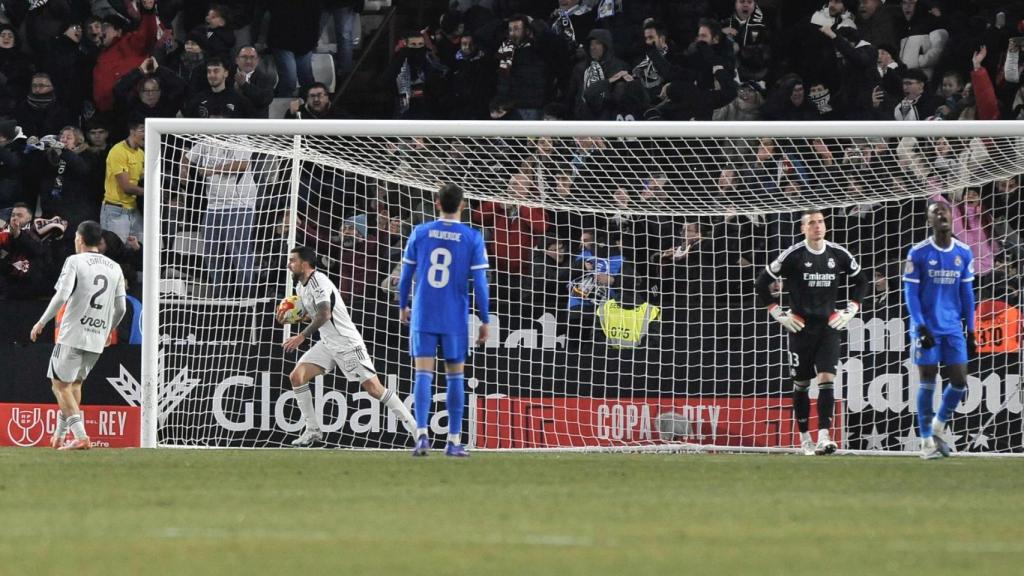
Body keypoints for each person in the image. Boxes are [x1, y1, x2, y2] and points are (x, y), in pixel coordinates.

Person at [278, 245, 418, 447]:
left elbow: (325, 314)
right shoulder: (301, 286)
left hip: (346, 343)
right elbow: (314, 315)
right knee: (297, 377)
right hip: (327, 343)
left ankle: (416, 429)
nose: (289, 265)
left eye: (292, 260)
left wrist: (301, 336)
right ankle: (312, 430)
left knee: (374, 389)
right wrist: (294, 318)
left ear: (305, 263)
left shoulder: (319, 282)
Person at [755, 209, 867, 456]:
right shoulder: (793, 255)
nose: (818, 226)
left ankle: (824, 436)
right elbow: (761, 282)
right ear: (802, 229)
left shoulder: (838, 253)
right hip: (800, 328)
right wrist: (778, 313)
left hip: (828, 328)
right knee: (802, 384)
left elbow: (862, 281)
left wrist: (850, 310)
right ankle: (805, 438)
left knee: (827, 378)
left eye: (820, 222)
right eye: (812, 223)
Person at [397, 183, 490, 457]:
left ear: (437, 203)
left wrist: (403, 305)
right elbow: (481, 285)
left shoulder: (420, 232)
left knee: (423, 373)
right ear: (463, 205)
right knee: (455, 376)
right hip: (454, 317)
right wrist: (484, 319)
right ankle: (452, 440)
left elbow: (405, 277)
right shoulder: (472, 237)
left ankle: (422, 436)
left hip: (424, 312)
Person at [29, 220, 127, 450]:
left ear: (79, 239)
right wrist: (107, 330)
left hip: (73, 333)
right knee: (73, 386)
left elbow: (62, 295)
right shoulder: (115, 268)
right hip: (96, 337)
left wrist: (41, 322)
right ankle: (60, 436)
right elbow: (121, 308)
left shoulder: (74, 261)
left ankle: (81, 436)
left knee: (59, 386)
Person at [903, 200, 976, 459]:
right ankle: (925, 442)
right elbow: (910, 294)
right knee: (928, 381)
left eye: (945, 210)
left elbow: (967, 293)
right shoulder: (918, 253)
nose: (942, 214)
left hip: (953, 328)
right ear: (929, 221)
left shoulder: (964, 252)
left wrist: (972, 330)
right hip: (926, 328)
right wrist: (920, 327)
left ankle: (938, 425)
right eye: (936, 212)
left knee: (959, 382)